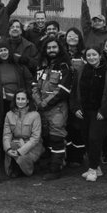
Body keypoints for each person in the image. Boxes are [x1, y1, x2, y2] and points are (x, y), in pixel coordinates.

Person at [71, 47, 107, 182]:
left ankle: (92, 169)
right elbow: (74, 92)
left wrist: (104, 111)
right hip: (84, 112)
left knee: (94, 138)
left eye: (94, 55)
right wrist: (75, 108)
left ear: (100, 55)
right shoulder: (81, 70)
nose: (91, 57)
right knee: (86, 138)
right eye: (89, 55)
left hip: (100, 113)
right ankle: (96, 166)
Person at [33, 36, 73, 179]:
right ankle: (51, 163)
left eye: (54, 47)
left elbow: (63, 90)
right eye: (49, 48)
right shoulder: (42, 65)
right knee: (47, 137)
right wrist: (38, 101)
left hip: (57, 109)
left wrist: (45, 103)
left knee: (57, 137)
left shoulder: (64, 66)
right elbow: (35, 86)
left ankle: (56, 170)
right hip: (42, 109)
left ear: (59, 48)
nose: (51, 50)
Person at [2, 91, 43, 178]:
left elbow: (35, 138)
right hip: (15, 142)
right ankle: (16, 167)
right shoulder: (9, 114)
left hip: (32, 144)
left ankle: (28, 167)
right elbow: (6, 135)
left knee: (22, 159)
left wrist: (20, 151)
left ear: (28, 100)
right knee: (11, 150)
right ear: (15, 100)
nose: (20, 101)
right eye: (18, 99)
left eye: (23, 99)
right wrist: (8, 149)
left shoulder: (35, 115)